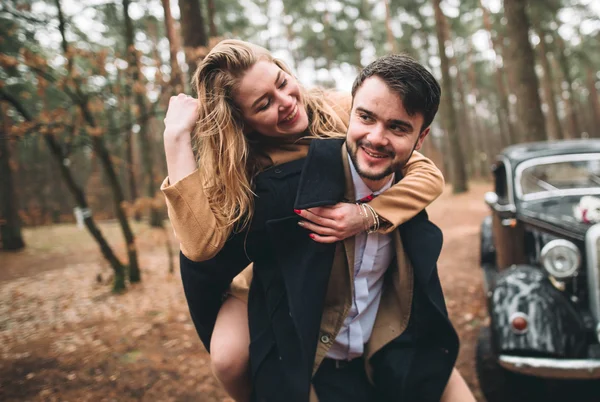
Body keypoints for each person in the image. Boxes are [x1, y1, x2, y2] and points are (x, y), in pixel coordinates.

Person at [162, 40, 472, 401]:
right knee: (229, 359)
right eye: (264, 104)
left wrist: (368, 214)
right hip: (267, 273)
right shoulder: (241, 168)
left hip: (343, 265)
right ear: (242, 124)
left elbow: (427, 174)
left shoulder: (341, 111)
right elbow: (200, 244)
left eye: (281, 83)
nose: (287, 102)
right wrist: (176, 137)